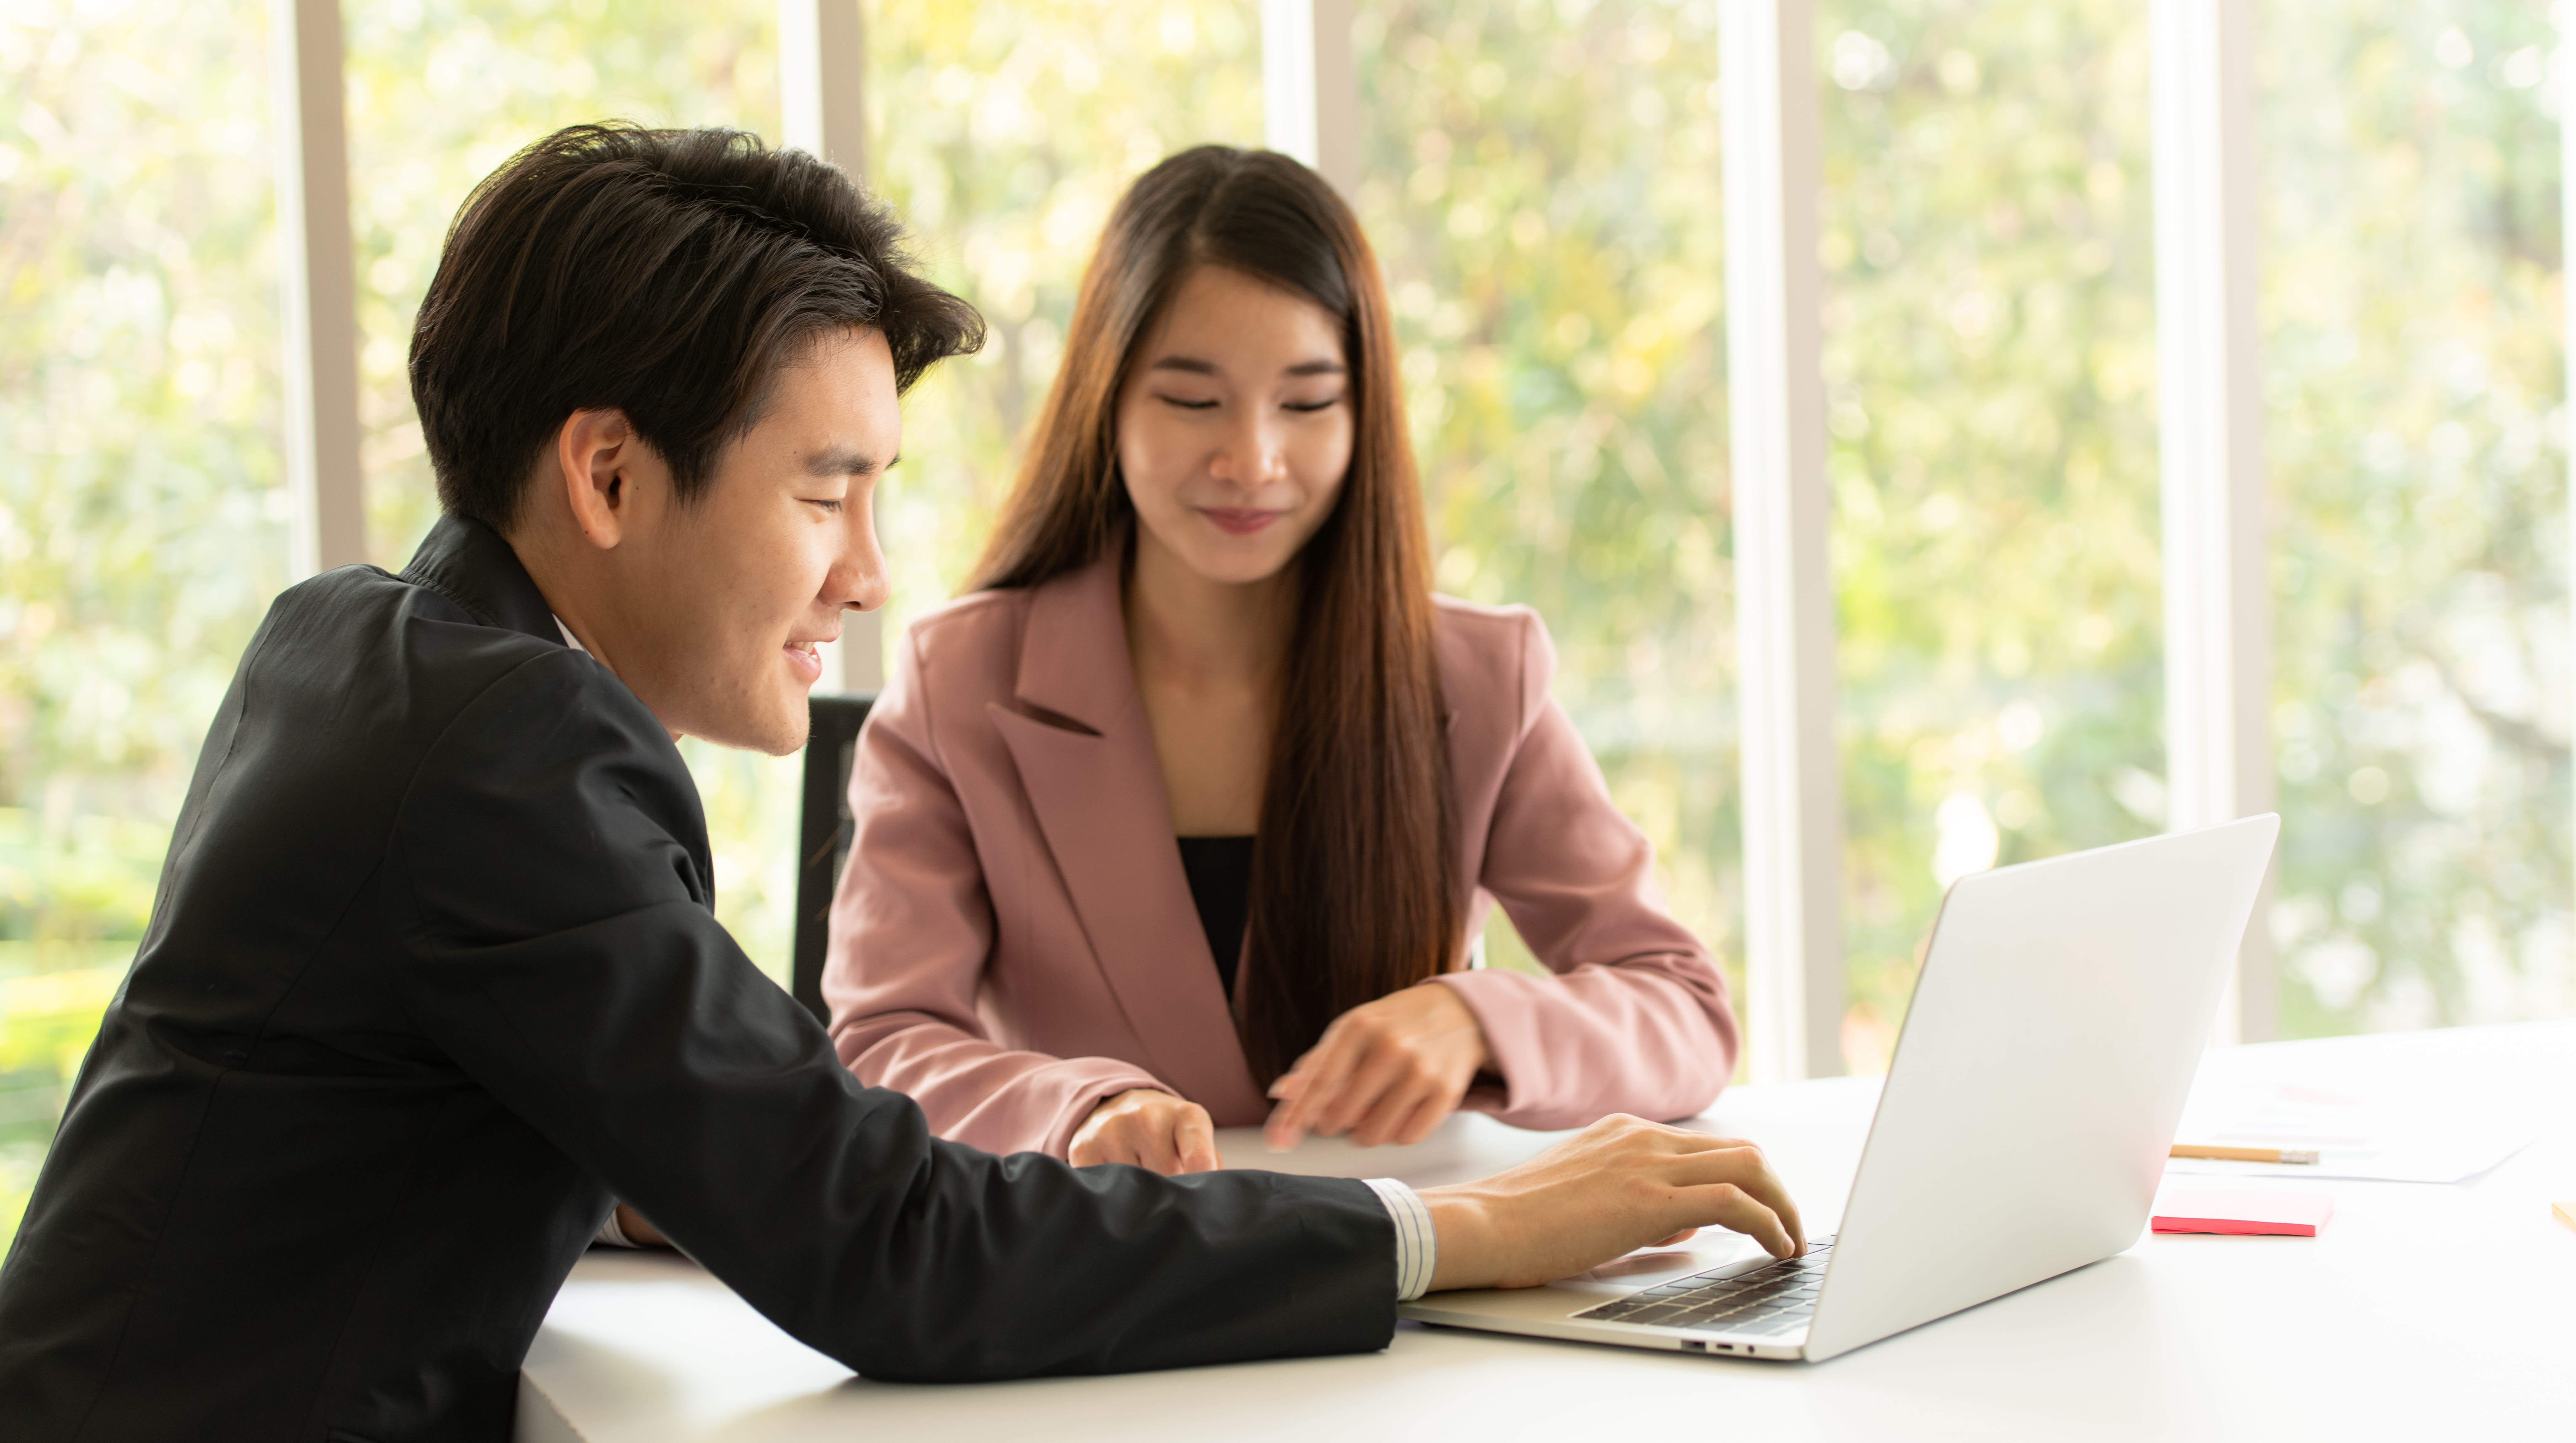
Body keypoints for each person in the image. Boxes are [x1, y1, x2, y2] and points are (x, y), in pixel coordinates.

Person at [0, 124, 1801, 1441]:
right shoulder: (508, 752)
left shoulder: (361, 641)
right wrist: (1463, 1228)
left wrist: (677, 1150)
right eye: (820, 491)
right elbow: (893, 1250)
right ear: (610, 474)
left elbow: (453, 1092)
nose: (867, 571)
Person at [823, 146, 1738, 1177]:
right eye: (1193, 400)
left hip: (1422, 1278)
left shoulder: (1481, 678)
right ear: (1108, 399)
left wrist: (1474, 1017)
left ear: (1363, 414)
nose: (1252, 459)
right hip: (1115, 1285)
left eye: (1306, 404)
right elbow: (880, 1043)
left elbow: (1685, 1008)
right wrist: (1080, 1107)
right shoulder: (963, 681)